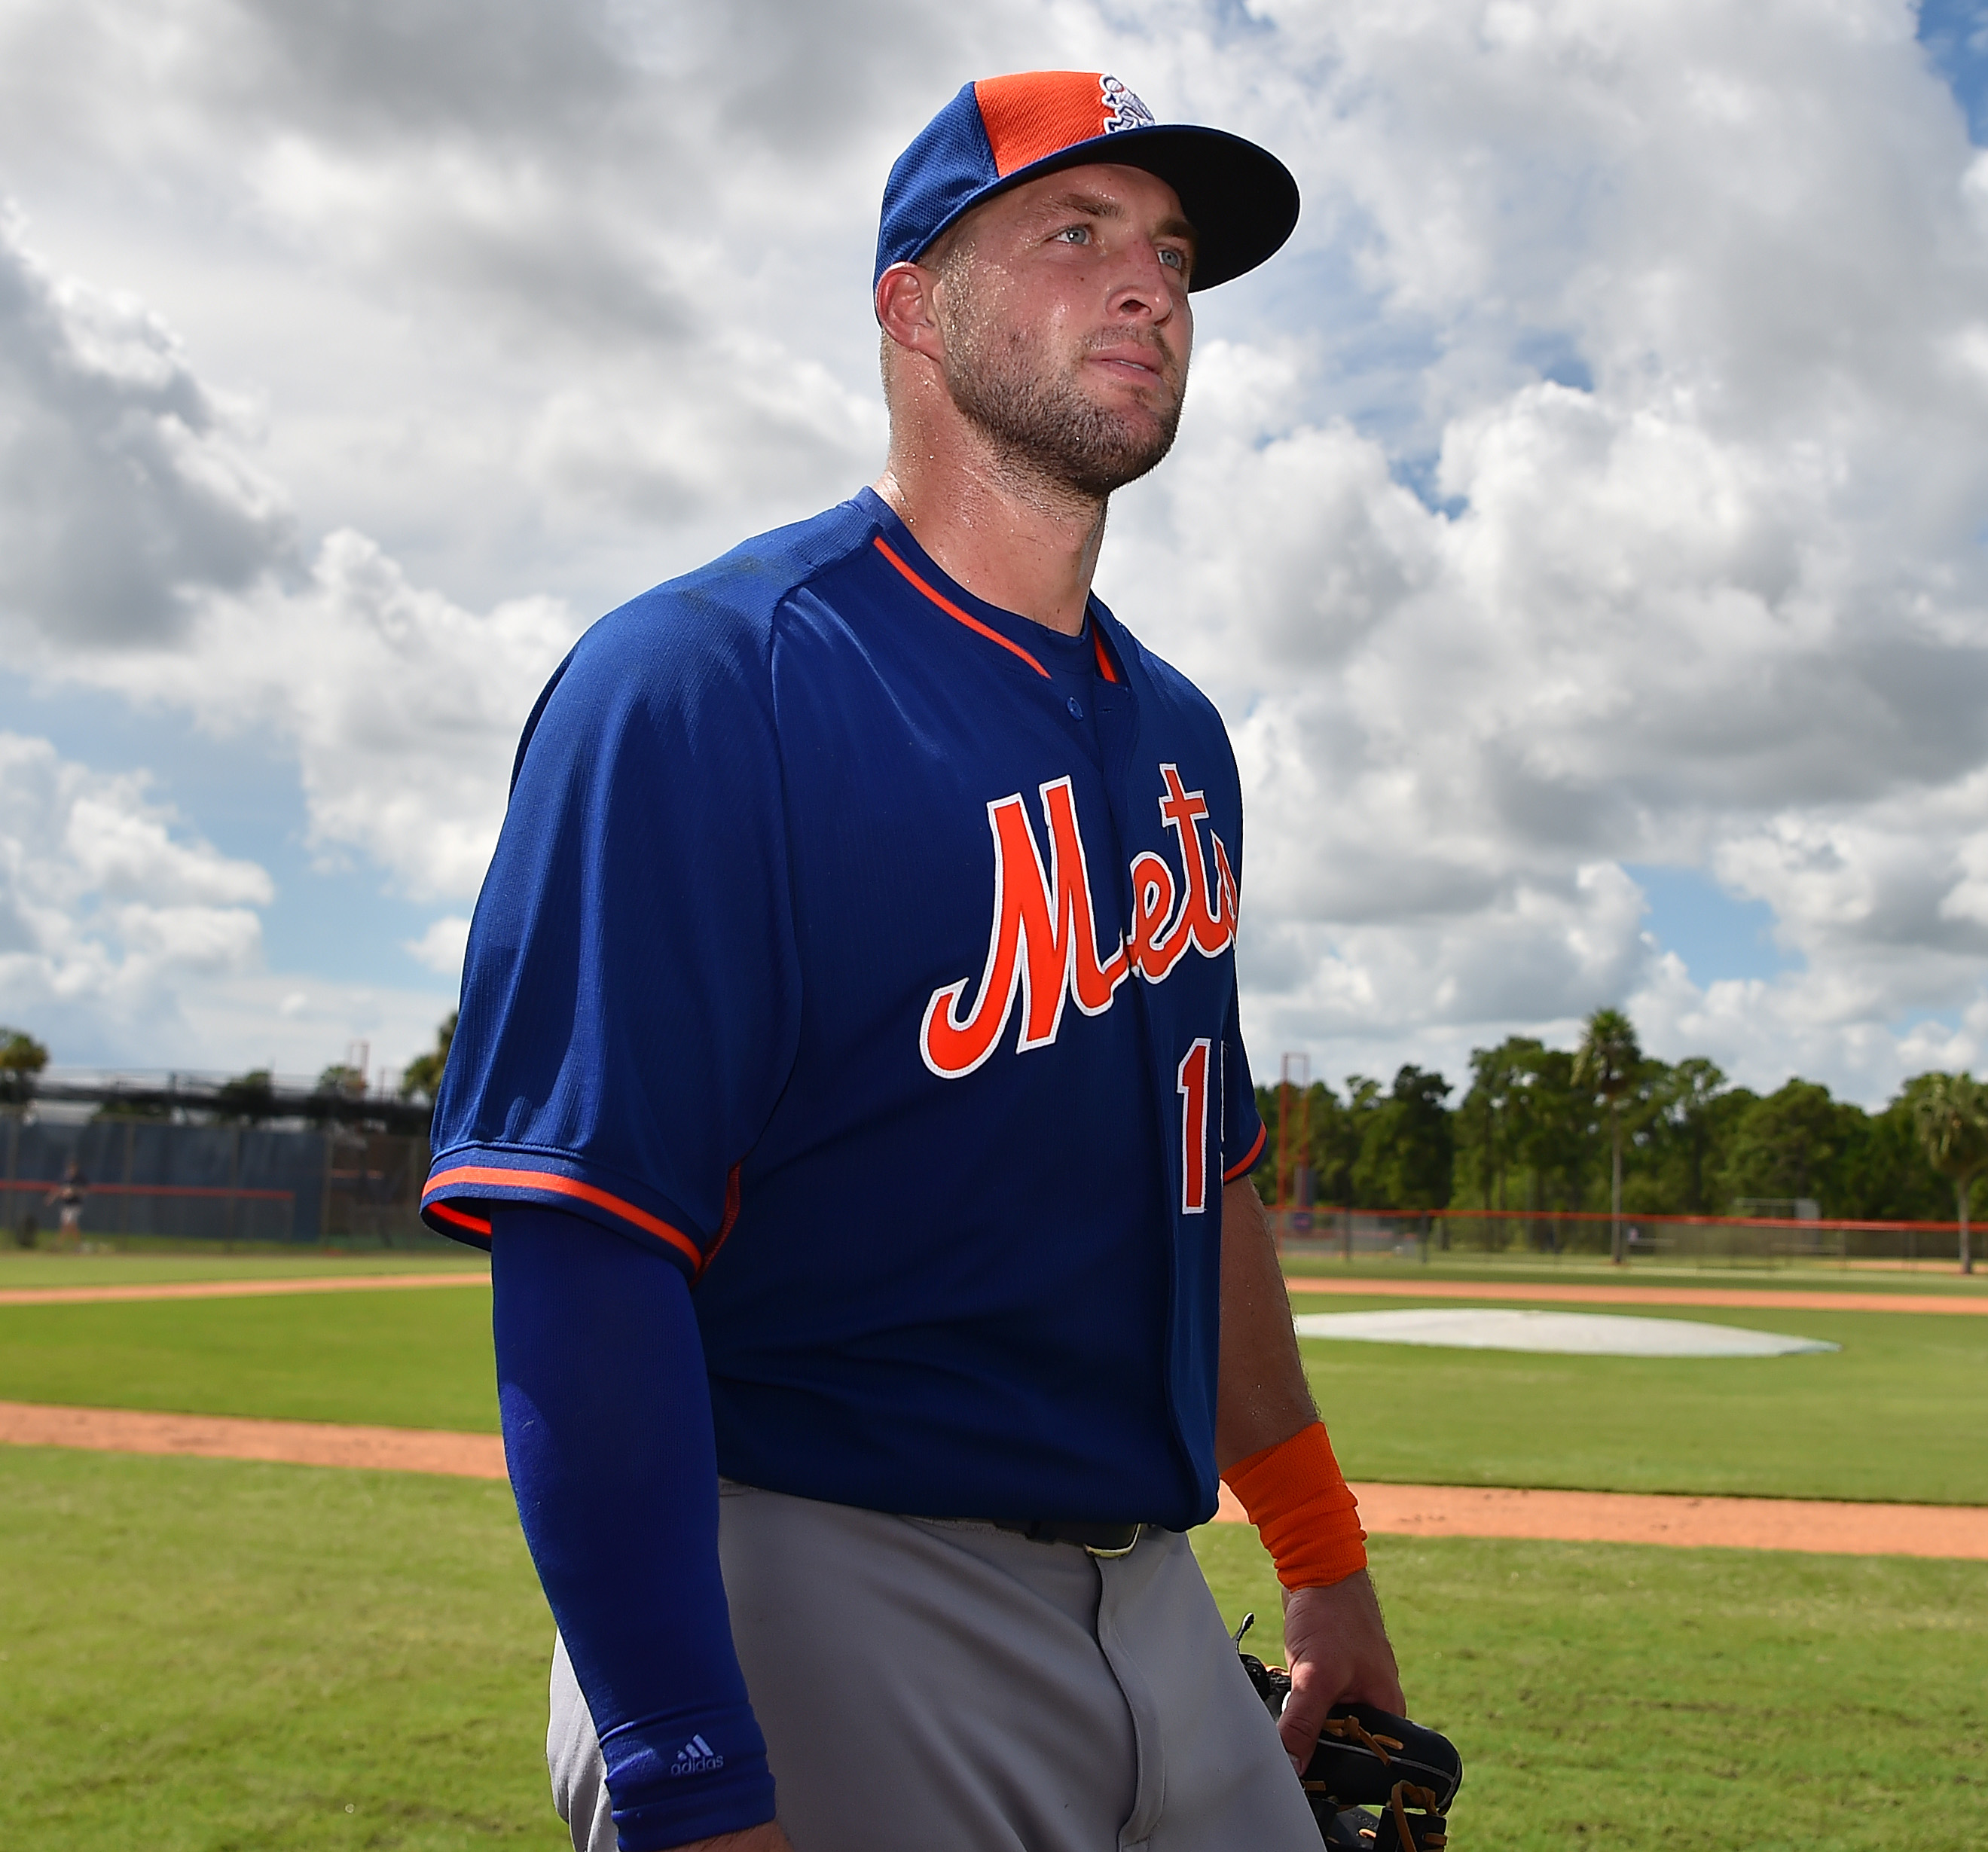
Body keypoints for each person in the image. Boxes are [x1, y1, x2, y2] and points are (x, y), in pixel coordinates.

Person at [422, 72, 1399, 1852]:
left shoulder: (1180, 738)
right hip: (822, 1577)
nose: (1150, 290)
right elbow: (580, 1242)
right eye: (1075, 230)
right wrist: (682, 1761)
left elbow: (1214, 1180)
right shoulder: (708, 683)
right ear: (909, 305)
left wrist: (1321, 1561)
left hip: (1160, 1598)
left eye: (1172, 253)